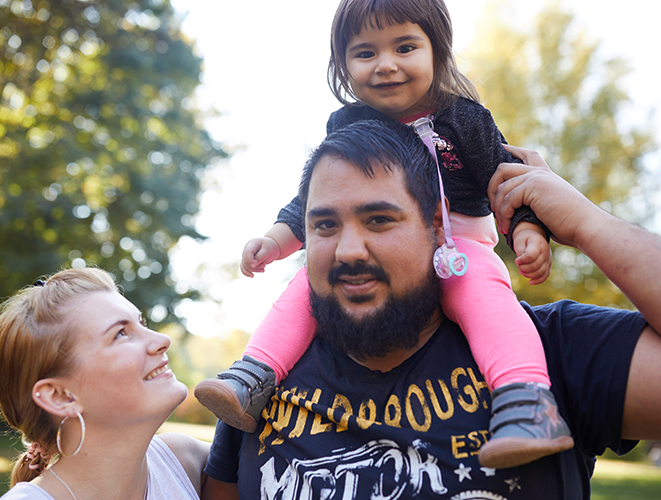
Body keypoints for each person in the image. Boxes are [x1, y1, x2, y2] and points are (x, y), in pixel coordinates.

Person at [199, 120, 661, 500]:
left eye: (379, 219)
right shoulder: (258, 387)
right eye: (324, 225)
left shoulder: (551, 354)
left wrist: (590, 225)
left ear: (439, 228)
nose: (348, 249)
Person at [196, 0, 565, 469]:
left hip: (459, 245)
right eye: (365, 53)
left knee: (485, 298)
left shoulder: (466, 119)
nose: (386, 65)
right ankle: (253, 376)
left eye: (405, 47)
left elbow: (507, 179)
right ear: (343, 65)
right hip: (373, 247)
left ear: (437, 50)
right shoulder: (348, 125)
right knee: (306, 289)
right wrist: (276, 240)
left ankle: (527, 400)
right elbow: (314, 201)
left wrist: (528, 230)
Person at [0, 268, 210, 500]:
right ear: (60, 396)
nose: (162, 340)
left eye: (141, 323)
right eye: (121, 333)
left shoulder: (184, 460)